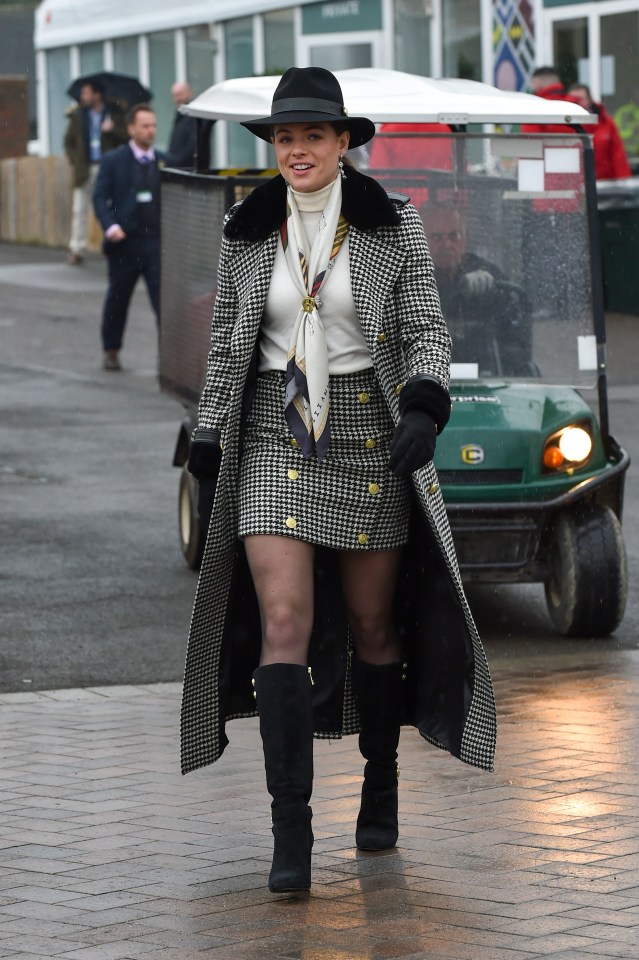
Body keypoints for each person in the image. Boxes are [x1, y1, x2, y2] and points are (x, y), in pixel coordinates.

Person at [181, 67, 496, 895]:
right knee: (282, 619)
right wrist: (208, 439)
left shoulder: (392, 226)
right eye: (285, 137)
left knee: (372, 628)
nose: (296, 150)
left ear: (343, 143)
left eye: (313, 136)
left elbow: (426, 328)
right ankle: (291, 833)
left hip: (367, 432)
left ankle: (380, 780)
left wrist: (425, 409)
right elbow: (226, 346)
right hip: (275, 433)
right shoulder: (247, 229)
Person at [93, 104, 168, 371]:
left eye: (154, 125)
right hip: (124, 243)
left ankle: (170, 357)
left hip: (155, 243)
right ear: (131, 129)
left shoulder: (164, 161)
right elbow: (100, 197)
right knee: (118, 298)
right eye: (145, 125)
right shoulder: (114, 160)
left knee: (164, 302)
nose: (151, 131)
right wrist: (110, 226)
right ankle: (111, 349)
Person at [422, 202, 532, 376]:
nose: (447, 244)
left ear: (465, 238)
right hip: (423, 379)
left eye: (453, 236)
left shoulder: (490, 274)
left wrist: (492, 291)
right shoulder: (407, 278)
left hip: (482, 378)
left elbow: (515, 340)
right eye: (437, 237)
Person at [64, 80, 128, 265]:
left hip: (107, 168)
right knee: (79, 209)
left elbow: (127, 138)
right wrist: (75, 162)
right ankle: (77, 249)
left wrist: (112, 129)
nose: (83, 97)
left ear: (97, 95)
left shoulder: (114, 114)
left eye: (86, 93)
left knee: (110, 208)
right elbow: (68, 142)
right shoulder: (78, 115)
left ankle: (112, 245)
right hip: (85, 168)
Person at [568, 84, 631, 181]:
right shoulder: (564, 126)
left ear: (589, 100)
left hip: (605, 185)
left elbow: (618, 156)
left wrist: (623, 182)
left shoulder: (606, 123)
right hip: (575, 185)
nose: (576, 103)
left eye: (580, 99)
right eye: (572, 100)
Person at [168, 81, 198, 168]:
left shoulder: (195, 116)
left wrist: (175, 161)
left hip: (189, 170)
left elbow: (193, 146)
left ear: (190, 93)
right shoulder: (180, 115)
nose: (176, 99)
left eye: (179, 94)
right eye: (174, 95)